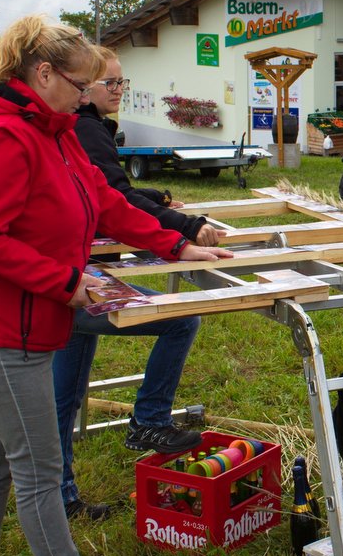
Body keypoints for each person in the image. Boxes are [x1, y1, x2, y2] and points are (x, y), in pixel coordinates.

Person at [0, 15, 231, 556]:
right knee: (41, 472)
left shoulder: (56, 130)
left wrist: (175, 246)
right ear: (42, 74)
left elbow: (105, 201)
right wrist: (66, 283)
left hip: (23, 325)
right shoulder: (4, 138)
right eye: (80, 85)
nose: (87, 98)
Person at [53, 48, 224, 521]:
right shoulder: (82, 129)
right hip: (74, 278)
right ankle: (148, 422)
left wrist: (168, 229)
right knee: (180, 318)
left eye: (121, 82)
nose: (118, 90)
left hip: (75, 273)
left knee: (64, 396)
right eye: (110, 82)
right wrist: (183, 230)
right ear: (80, 85)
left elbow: (111, 195)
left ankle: (61, 496)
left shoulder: (81, 131)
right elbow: (112, 199)